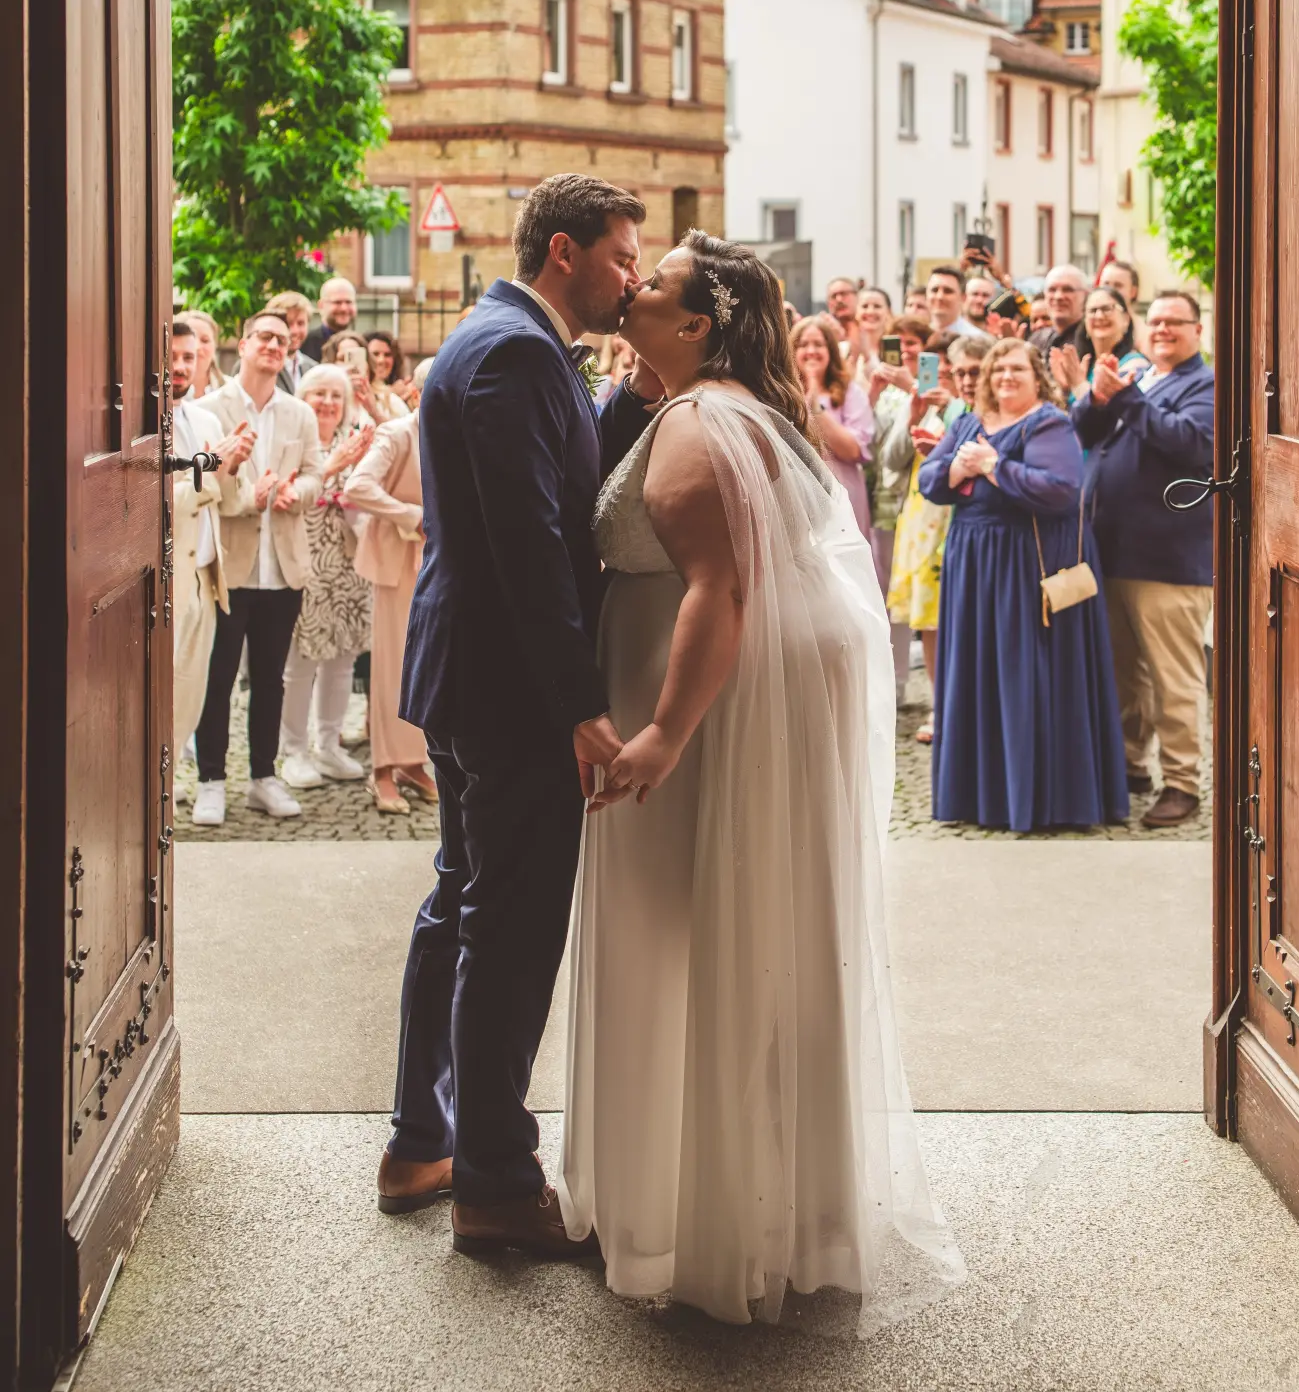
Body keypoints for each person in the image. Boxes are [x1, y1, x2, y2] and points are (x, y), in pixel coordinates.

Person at [562, 229, 962, 1328]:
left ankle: (699, 1217)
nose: (635, 289)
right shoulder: (734, 407)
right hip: (747, 693)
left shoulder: (697, 420)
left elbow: (718, 590)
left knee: (690, 935)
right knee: (756, 936)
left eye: (656, 284)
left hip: (701, 700)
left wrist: (663, 738)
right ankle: (774, 1203)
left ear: (695, 325)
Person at [380, 173, 657, 1247]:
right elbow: (527, 542)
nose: (631, 277)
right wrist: (579, 704)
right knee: (507, 926)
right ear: (563, 254)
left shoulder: (513, 342)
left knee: (462, 902)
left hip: (474, 677)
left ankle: (421, 1142)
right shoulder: (510, 353)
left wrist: (628, 399)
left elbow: (559, 466)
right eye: (622, 257)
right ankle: (494, 1183)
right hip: (507, 691)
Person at [920, 338, 1129, 831]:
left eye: (1016, 369)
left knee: (1022, 673)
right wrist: (956, 466)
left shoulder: (1048, 422)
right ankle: (977, 797)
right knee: (975, 673)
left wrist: (994, 467)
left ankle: (1040, 799)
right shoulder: (969, 421)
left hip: (1024, 566)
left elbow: (1060, 489)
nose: (1005, 378)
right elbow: (931, 480)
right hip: (973, 564)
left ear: (1038, 377)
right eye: (998, 370)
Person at [1073, 292, 1215, 828]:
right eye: (1154, 322)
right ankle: (1132, 768)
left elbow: (1189, 442)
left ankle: (1182, 782)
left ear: (1196, 330)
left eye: (1173, 323)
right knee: (1124, 676)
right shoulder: (1143, 378)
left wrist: (1126, 400)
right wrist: (1097, 396)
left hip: (1168, 559)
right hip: (1113, 552)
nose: (1161, 330)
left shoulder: (1206, 384)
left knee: (1173, 678)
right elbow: (1083, 434)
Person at [192, 310, 326, 824]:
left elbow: (315, 473)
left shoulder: (300, 414)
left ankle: (263, 778)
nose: (275, 344)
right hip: (229, 565)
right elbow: (203, 485)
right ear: (243, 345)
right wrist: (246, 493)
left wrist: (299, 491)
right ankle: (210, 780)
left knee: (272, 678)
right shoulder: (211, 409)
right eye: (264, 336)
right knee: (218, 676)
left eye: (283, 339)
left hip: (283, 564)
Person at [346, 361, 440, 813]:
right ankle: (382, 770)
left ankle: (414, 763)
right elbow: (357, 485)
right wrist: (412, 516)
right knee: (391, 668)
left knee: (426, 664)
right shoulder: (397, 432)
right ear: (419, 392)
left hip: (436, 562)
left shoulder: (454, 430)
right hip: (395, 561)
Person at [276, 365, 373, 790]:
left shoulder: (355, 440)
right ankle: (293, 750)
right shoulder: (292, 440)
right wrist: (335, 467)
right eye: (319, 393)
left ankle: (329, 744)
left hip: (349, 564)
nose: (329, 403)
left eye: (336, 395)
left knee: (342, 657)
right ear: (302, 396)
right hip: (305, 561)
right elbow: (288, 493)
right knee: (301, 664)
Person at [886, 334, 971, 743]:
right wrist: (914, 415)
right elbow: (890, 458)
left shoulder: (969, 406)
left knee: (960, 615)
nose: (947, 377)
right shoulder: (921, 402)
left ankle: (967, 703)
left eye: (953, 370)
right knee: (930, 620)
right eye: (940, 368)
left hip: (955, 516)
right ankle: (940, 706)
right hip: (922, 516)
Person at [170, 322, 248, 758]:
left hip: (206, 574)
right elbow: (155, 501)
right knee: (162, 690)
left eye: (190, 357)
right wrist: (213, 475)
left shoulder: (205, 418)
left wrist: (233, 465)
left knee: (190, 696)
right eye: (173, 357)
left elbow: (228, 503)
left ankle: (172, 781)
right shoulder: (145, 423)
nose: (182, 366)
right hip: (169, 576)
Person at [868, 314, 933, 694]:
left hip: (922, 503)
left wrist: (914, 392)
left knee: (912, 596)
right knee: (887, 593)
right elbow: (872, 448)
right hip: (887, 501)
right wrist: (874, 395)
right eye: (899, 343)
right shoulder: (887, 391)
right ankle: (893, 684)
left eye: (913, 342)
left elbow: (898, 454)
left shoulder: (929, 388)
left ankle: (902, 680)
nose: (906, 350)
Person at [792, 315, 873, 535]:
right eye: (804, 345)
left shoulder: (850, 392)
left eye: (818, 344)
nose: (811, 351)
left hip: (843, 494)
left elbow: (852, 450)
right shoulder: (784, 393)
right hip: (799, 497)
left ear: (831, 351)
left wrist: (816, 407)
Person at [1049, 287, 1145, 402]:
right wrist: (1065, 389)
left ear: (1126, 319)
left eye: (1107, 309)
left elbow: (1110, 415)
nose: (1099, 316)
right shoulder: (1082, 365)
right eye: (1092, 311)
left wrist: (1079, 386)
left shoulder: (1134, 366)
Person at [323, 329, 406, 424]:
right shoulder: (322, 401)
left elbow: (405, 436)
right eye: (343, 359)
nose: (352, 366)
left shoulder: (390, 402)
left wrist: (375, 413)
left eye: (358, 358)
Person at [1030, 264, 1091, 361]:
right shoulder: (1038, 339)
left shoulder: (1092, 340)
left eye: (1067, 289)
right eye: (1052, 290)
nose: (1058, 296)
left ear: (1085, 295)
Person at [264, 291, 318, 395]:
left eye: (301, 323)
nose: (294, 331)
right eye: (288, 323)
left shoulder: (313, 369)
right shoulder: (258, 364)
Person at [301, 275, 359, 360]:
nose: (344, 308)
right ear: (321, 306)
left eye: (348, 302)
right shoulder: (305, 344)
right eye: (337, 302)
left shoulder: (361, 344)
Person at [851, 284, 893, 381]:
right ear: (856, 311)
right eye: (865, 306)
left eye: (877, 306)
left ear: (888, 311)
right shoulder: (844, 349)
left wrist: (867, 357)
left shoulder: (898, 348)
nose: (870, 311)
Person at [182, 308, 226, 396]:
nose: (197, 347)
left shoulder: (229, 389)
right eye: (191, 339)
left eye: (205, 340)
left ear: (215, 346)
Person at [366, 331, 416, 410]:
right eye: (375, 354)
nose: (381, 360)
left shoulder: (405, 390)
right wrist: (390, 394)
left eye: (387, 355)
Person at [924, 264, 966, 337]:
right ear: (926, 294)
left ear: (963, 298)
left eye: (948, 291)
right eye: (935, 290)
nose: (940, 297)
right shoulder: (915, 338)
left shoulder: (978, 340)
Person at [824, 275, 861, 351]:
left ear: (857, 297)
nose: (839, 299)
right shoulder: (822, 333)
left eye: (844, 294)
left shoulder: (870, 329)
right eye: (833, 296)